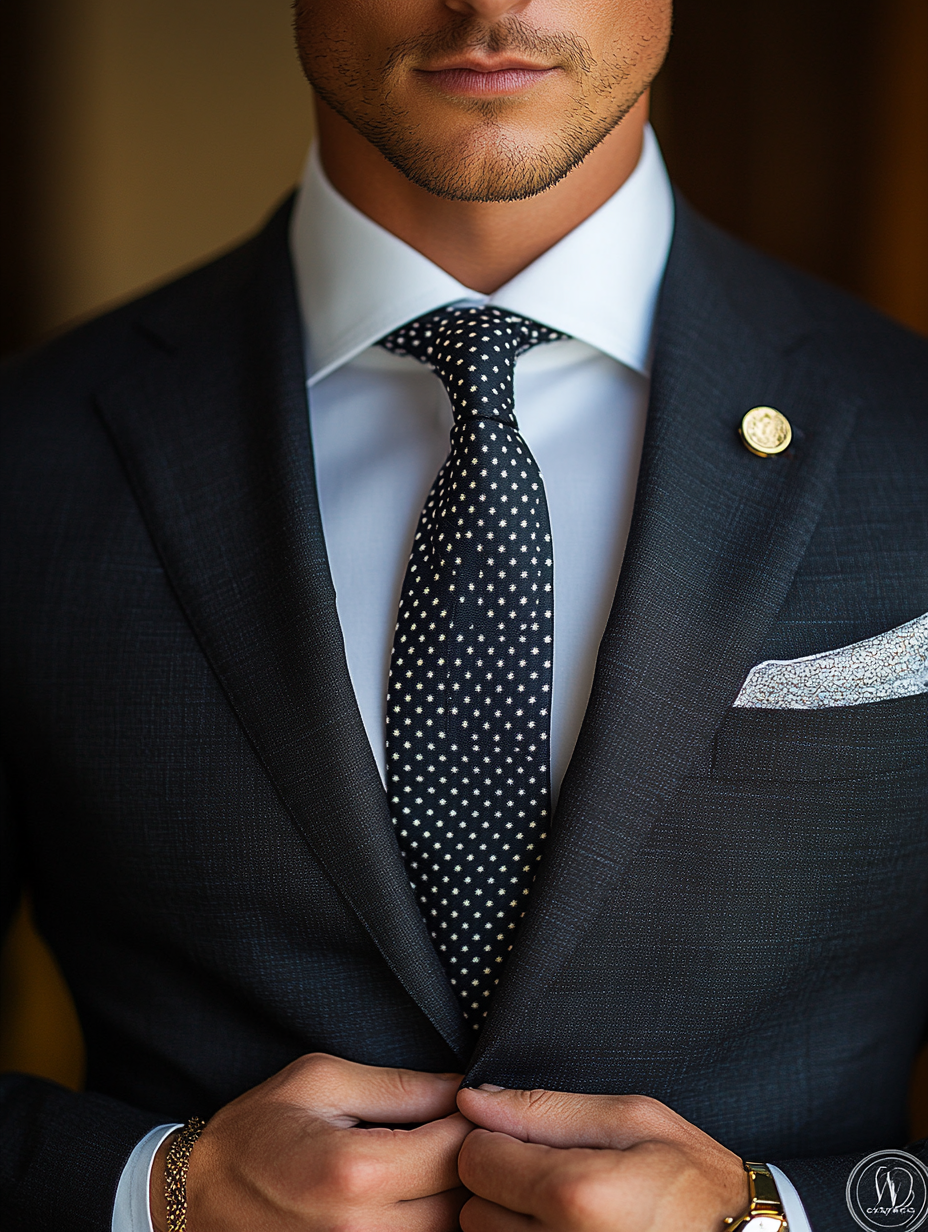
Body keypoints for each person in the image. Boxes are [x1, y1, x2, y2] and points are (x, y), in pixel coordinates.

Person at [2, 0, 926, 1229]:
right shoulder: (32, 457)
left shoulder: (908, 433)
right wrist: (152, 1191)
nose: (491, 4)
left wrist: (782, 1213)